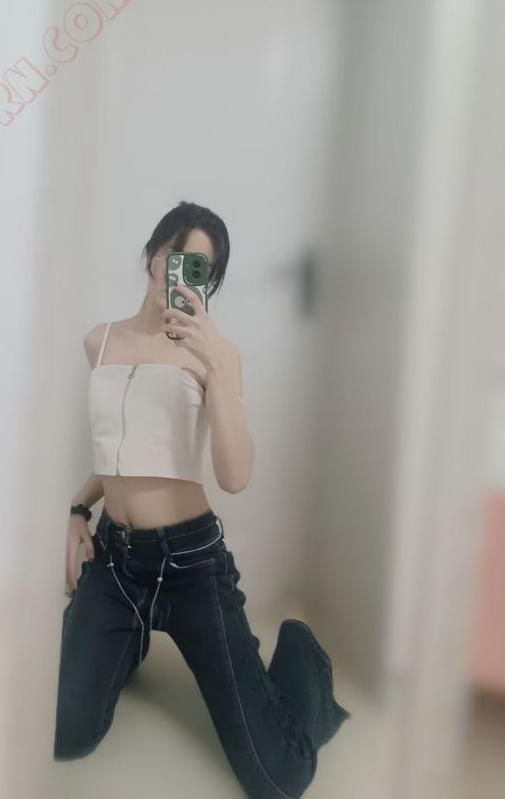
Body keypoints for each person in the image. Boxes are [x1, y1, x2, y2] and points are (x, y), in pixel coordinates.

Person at [53, 201, 351, 797]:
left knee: (278, 778)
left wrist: (218, 365)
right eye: (177, 257)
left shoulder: (215, 353)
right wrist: (78, 509)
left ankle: (303, 654)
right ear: (153, 254)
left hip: (190, 564)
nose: (183, 275)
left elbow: (234, 476)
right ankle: (129, 634)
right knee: (66, 735)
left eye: (200, 269)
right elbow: (119, 449)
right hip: (114, 563)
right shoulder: (99, 341)